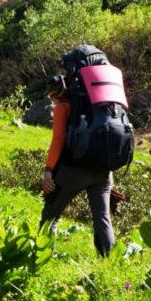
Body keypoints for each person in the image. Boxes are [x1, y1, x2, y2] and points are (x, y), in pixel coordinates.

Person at [40, 47, 119, 257]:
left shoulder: (64, 107)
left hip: (74, 169)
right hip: (103, 170)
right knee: (102, 218)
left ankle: (41, 258)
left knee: (50, 216)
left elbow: (58, 141)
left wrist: (48, 171)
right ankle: (108, 262)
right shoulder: (104, 101)